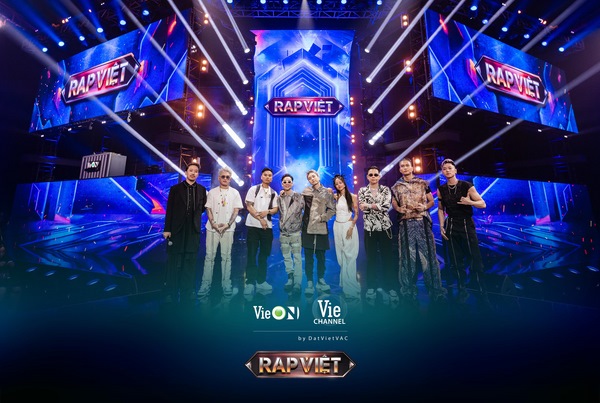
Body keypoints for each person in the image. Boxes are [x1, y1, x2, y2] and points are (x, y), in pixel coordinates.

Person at [391, 158, 447, 305]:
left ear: (412, 167)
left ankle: (436, 291)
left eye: (407, 165)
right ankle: (408, 291)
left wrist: (424, 207)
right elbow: (394, 203)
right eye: (402, 166)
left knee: (429, 257)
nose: (404, 168)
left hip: (422, 222)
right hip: (405, 223)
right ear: (400, 169)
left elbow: (431, 201)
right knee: (407, 258)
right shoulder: (396, 186)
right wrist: (399, 209)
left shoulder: (423, 183)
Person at [437, 158, 488, 303]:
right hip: (451, 224)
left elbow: (482, 204)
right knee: (455, 259)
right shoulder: (441, 189)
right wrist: (441, 226)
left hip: (466, 223)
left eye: (449, 168)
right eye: (444, 169)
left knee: (474, 257)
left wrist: (469, 202)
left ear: (455, 170)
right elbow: (440, 209)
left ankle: (479, 286)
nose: (447, 170)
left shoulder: (466, 186)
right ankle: (461, 288)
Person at [163, 162, 207, 303]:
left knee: (190, 262)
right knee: (174, 261)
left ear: (198, 174)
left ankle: (187, 291)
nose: (193, 173)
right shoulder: (175, 189)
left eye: (196, 171)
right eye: (191, 170)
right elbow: (169, 210)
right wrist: (167, 229)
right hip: (177, 229)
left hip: (193, 229)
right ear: (186, 172)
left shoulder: (202, 190)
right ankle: (170, 292)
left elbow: (202, 208)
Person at [197, 168, 243, 298]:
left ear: (230, 179)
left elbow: (236, 210)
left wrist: (228, 224)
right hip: (212, 228)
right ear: (219, 178)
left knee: (226, 257)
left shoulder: (235, 193)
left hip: (228, 228)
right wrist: (214, 224)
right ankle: (205, 284)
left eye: (227, 177)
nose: (225, 179)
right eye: (223, 176)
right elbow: (208, 209)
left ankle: (226, 284)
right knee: (209, 257)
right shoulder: (212, 192)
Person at [358, 166, 396, 302]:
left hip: (385, 227)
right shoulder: (362, 190)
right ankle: (371, 287)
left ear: (379, 176)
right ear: (367, 177)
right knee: (371, 259)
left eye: (375, 174)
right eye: (371, 175)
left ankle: (390, 287)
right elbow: (363, 208)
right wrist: (374, 206)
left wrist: (369, 205)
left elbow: (385, 206)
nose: (373, 177)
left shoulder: (386, 189)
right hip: (369, 229)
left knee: (388, 258)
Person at [244, 167, 279, 295]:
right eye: (265, 175)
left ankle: (261, 281)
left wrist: (267, 212)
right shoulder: (254, 189)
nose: (268, 177)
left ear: (272, 178)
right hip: (253, 226)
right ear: (261, 176)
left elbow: (275, 209)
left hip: (267, 228)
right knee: (251, 254)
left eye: (270, 175)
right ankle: (249, 283)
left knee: (264, 255)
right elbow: (249, 206)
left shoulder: (274, 193)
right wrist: (260, 219)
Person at [301, 169, 336, 295]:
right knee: (308, 257)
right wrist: (284, 193)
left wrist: (323, 218)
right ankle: (310, 282)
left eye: (313, 176)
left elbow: (332, 209)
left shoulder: (327, 192)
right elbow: (298, 204)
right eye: (309, 178)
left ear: (318, 176)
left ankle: (321, 279)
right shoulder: (306, 192)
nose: (312, 179)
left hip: (321, 228)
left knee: (321, 257)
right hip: (307, 228)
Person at [333, 175, 361, 300]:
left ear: (344, 183)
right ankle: (345, 284)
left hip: (348, 225)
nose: (339, 185)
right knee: (340, 256)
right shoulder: (336, 196)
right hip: (337, 226)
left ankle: (351, 287)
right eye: (336, 183)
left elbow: (357, 214)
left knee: (349, 255)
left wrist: (351, 227)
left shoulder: (353, 196)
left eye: (340, 182)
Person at [278, 174, 305, 292]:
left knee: (297, 257)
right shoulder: (279, 198)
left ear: (292, 183)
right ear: (282, 184)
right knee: (286, 257)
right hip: (283, 232)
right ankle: (290, 278)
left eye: (289, 181)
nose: (287, 183)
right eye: (285, 182)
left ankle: (298, 282)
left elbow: (306, 211)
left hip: (295, 232)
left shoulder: (299, 197)